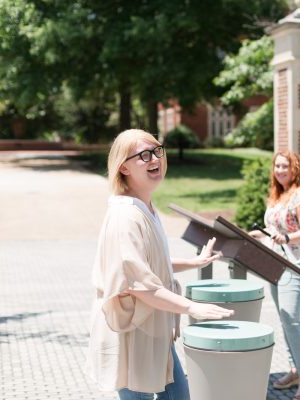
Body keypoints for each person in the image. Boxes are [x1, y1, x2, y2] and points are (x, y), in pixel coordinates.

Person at [86, 129, 234, 400]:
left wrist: (193, 261)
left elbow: (146, 266)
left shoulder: (146, 208)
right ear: (124, 167)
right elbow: (139, 285)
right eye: (143, 155)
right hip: (132, 334)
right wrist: (192, 307)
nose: (154, 158)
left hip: (155, 331)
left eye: (157, 151)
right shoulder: (126, 216)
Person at [249, 150, 300, 400]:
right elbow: (274, 228)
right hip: (276, 263)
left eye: (285, 166)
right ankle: (294, 370)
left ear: (295, 168)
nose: (280, 170)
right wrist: (261, 234)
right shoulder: (277, 195)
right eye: (277, 166)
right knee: (284, 318)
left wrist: (288, 237)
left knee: (291, 317)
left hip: (299, 263)